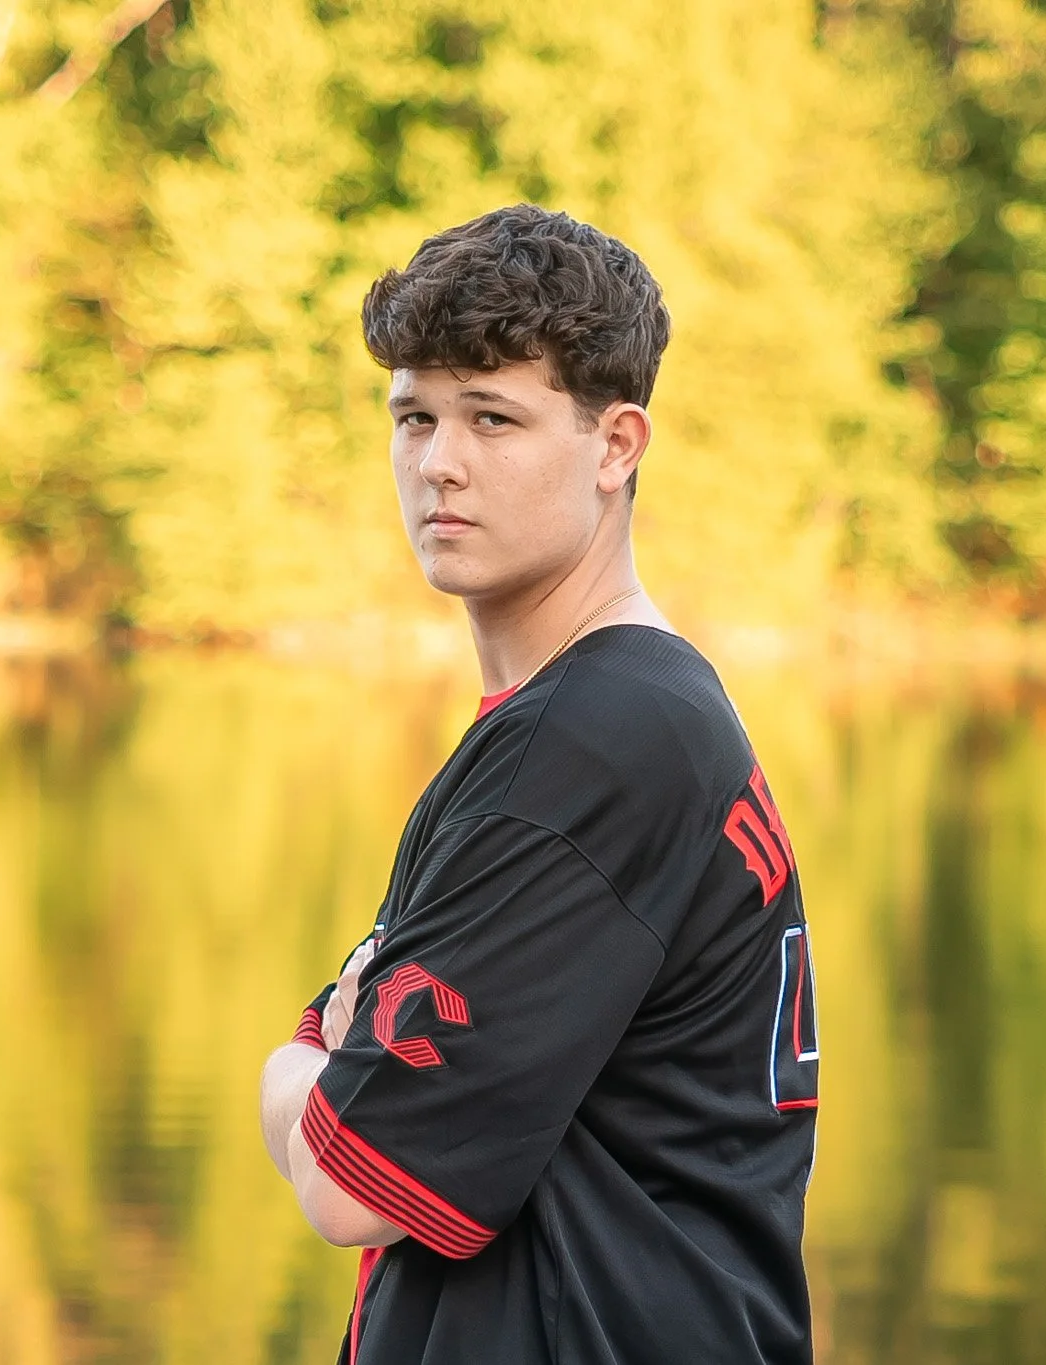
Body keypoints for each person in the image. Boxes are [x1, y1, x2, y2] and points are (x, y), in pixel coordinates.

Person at [257, 204, 818, 1364]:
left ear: (615, 447)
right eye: (413, 415)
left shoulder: (598, 741)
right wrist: (339, 1068)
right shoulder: (609, 713)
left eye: (492, 418)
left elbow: (351, 1181)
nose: (438, 462)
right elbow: (364, 1075)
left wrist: (292, 1072)